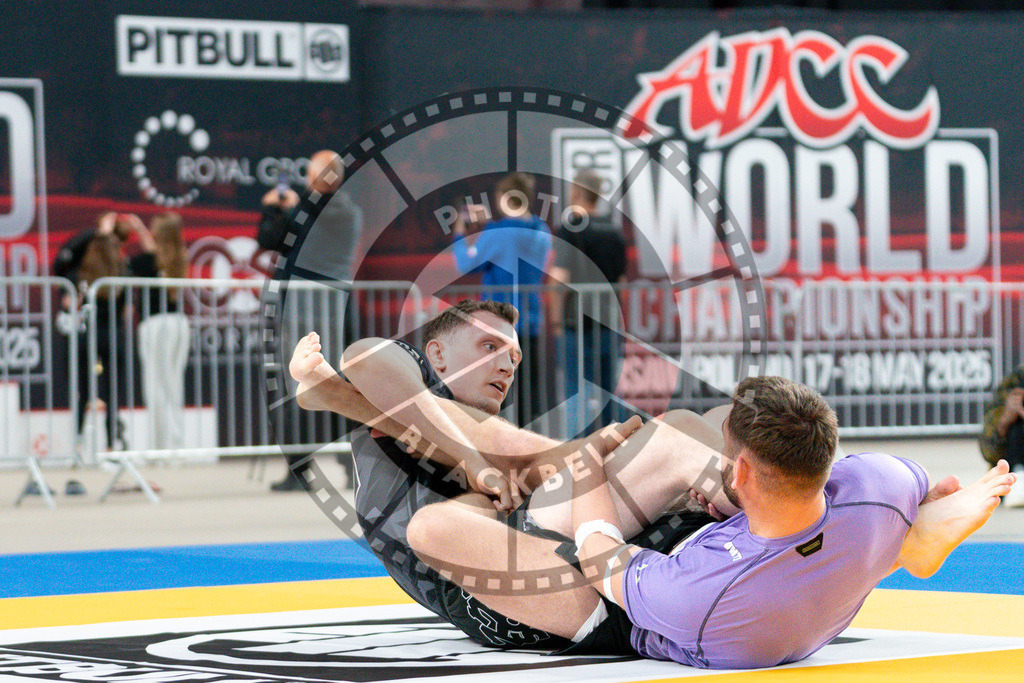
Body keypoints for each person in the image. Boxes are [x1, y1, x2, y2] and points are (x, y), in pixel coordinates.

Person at [288, 300, 1014, 661]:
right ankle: (866, 535)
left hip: (596, 592)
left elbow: (596, 538)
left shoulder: (693, 600)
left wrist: (582, 461)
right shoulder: (398, 393)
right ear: (435, 352)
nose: (508, 361)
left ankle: (795, 514)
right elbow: (374, 357)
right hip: (545, 576)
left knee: (681, 432)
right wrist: (499, 466)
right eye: (488, 347)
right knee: (680, 433)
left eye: (512, 349)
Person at [258, 150, 363, 491]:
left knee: (304, 386)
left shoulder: (322, 211)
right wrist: (283, 209)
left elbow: (274, 236)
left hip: (309, 312)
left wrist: (275, 207)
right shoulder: (336, 210)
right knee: (336, 390)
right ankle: (338, 468)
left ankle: (302, 472)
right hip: (328, 311)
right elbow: (272, 239)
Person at [451, 173, 552, 429]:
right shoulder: (542, 230)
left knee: (496, 391)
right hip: (531, 320)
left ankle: (500, 450)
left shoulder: (499, 232)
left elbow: (466, 263)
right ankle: (533, 447)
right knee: (530, 392)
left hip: (500, 325)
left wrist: (460, 231)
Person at [54, 212, 145, 451]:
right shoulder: (118, 270)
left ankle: (79, 444)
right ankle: (110, 445)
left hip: (90, 337)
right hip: (107, 337)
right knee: (111, 392)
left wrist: (96, 234)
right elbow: (127, 310)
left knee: (84, 391)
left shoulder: (83, 273)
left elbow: (62, 259)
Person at [548, 168, 629, 437]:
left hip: (576, 325)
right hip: (607, 324)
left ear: (578, 192)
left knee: (575, 394)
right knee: (608, 395)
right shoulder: (613, 232)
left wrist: (557, 320)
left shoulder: (571, 229)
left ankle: (576, 459)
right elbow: (622, 280)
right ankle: (612, 453)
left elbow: (559, 278)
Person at [133, 212, 191, 451]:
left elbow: (145, 257)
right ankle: (176, 444)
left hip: (156, 325)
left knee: (155, 385)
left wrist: (137, 228)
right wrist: (140, 229)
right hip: (179, 323)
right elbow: (155, 252)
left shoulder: (149, 260)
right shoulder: (179, 256)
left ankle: (161, 446)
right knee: (173, 384)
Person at [979, 367, 1024, 507]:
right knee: (1017, 428)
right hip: (1011, 482)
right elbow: (988, 452)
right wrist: (1004, 420)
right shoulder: (1017, 381)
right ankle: (1019, 474)